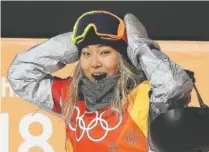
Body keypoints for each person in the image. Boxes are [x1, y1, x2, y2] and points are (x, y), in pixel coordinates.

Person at [8, 10, 193, 152]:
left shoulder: (144, 97)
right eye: (86, 54)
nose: (94, 63)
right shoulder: (72, 96)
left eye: (105, 52)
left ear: (122, 56)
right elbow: (21, 74)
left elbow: (174, 85)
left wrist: (138, 45)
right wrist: (73, 43)